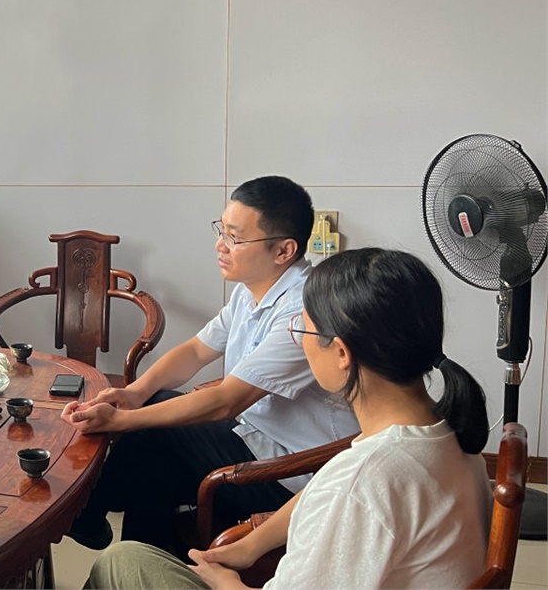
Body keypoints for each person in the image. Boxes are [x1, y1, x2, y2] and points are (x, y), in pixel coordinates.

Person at [86, 247, 492, 589]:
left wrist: (226, 583)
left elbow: (341, 491)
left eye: (305, 330)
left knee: (121, 562)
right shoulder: (449, 435)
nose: (298, 337)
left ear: (341, 353)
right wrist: (251, 545)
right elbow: (322, 492)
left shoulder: (358, 484)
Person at [63, 176, 359, 551]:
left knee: (152, 426)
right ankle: (138, 560)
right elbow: (196, 351)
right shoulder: (250, 291)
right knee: (153, 467)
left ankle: (87, 513)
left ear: (284, 250)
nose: (220, 245)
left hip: (293, 473)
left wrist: (120, 420)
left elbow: (227, 402)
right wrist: (134, 393)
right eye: (222, 230)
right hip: (254, 437)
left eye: (235, 238)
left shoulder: (303, 310)